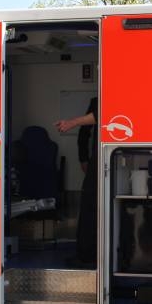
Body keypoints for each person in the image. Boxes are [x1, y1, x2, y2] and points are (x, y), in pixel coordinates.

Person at [55, 97, 97, 266]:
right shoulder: (97, 100)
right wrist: (83, 158)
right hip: (98, 160)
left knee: (91, 205)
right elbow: (85, 133)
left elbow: (101, 115)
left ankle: (89, 255)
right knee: (89, 204)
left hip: (109, 158)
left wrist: (71, 123)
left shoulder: (110, 98)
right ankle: (87, 255)